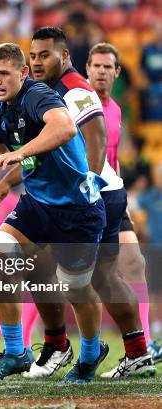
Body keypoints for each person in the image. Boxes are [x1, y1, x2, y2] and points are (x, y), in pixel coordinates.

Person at [0, 30, 155, 379]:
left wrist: (91, 178)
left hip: (91, 194)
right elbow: (46, 156)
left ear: (64, 56)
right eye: (32, 55)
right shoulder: (36, 94)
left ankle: (67, 346)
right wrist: (5, 182)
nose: (35, 62)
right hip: (73, 192)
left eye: (44, 55)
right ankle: (88, 347)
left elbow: (95, 133)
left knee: (79, 278)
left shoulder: (73, 88)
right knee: (48, 269)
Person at [0, 42, 108, 384]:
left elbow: (64, 128)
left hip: (77, 208)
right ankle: (17, 352)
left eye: (4, 73)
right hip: (37, 205)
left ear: (21, 73)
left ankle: (91, 353)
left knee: (76, 289)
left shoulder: (38, 96)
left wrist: (22, 154)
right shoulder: (0, 107)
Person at [86, 42, 161, 367]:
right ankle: (49, 345)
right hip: (80, 202)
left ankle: (141, 346)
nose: (102, 72)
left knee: (134, 264)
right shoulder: (73, 106)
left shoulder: (115, 110)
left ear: (117, 73)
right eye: (96, 65)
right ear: (87, 68)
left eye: (108, 67)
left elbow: (111, 162)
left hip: (110, 198)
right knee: (72, 276)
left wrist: (124, 201)